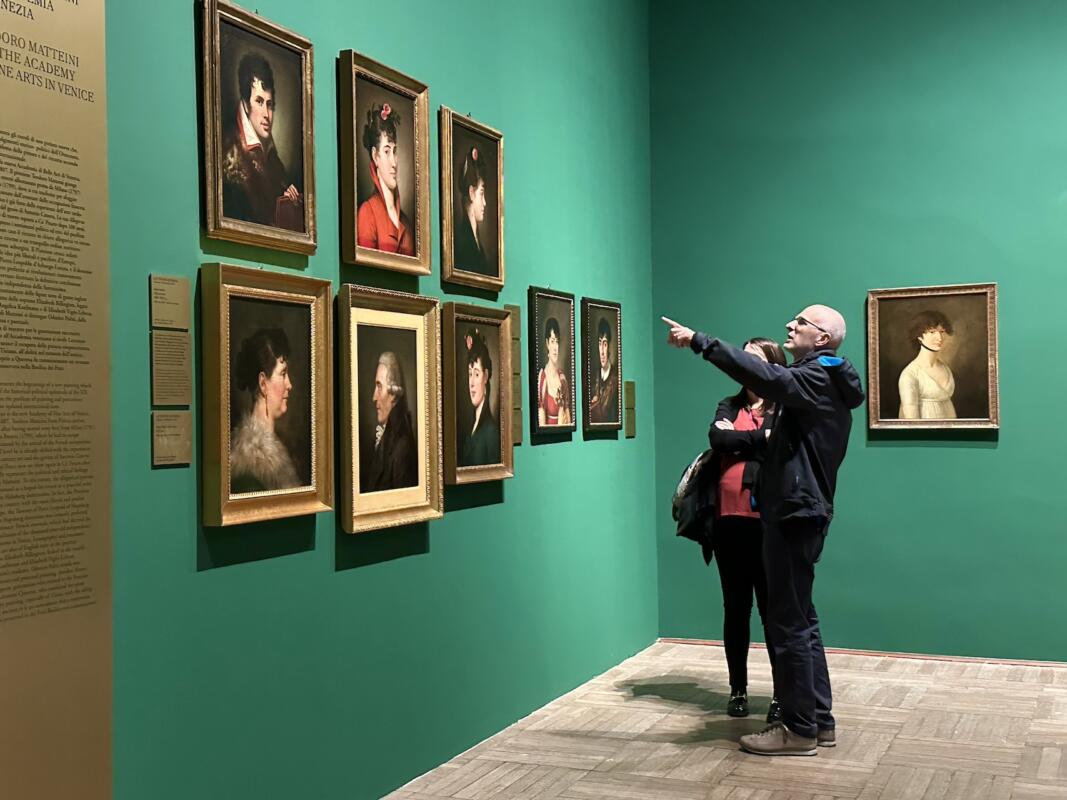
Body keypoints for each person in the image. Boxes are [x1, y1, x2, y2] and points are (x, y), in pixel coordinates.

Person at [663, 305, 865, 757]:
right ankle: (818, 721)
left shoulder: (815, 377)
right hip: (800, 510)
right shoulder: (823, 377)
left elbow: (765, 376)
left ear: (822, 338)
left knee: (787, 623)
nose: (790, 325)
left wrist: (700, 341)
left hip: (794, 512)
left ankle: (797, 729)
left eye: (801, 322)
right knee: (802, 620)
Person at [706, 337, 785, 721]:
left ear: (773, 366)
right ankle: (738, 689)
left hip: (768, 523)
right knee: (735, 609)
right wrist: (757, 438)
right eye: (743, 358)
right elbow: (717, 438)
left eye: (755, 359)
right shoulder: (729, 404)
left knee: (772, 611)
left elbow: (776, 446)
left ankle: (781, 695)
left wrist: (739, 440)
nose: (745, 365)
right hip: (728, 520)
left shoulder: (783, 406)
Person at [222, 53, 303, 231]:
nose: (266, 114)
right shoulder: (230, 153)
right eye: (259, 102)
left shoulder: (269, 152)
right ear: (245, 104)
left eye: (270, 104)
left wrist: (288, 199)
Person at [230, 328, 301, 492]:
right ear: (263, 384)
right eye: (283, 374)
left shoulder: (276, 447)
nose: (289, 385)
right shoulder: (249, 460)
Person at [357, 102, 415, 255]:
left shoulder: (406, 222)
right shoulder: (367, 213)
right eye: (387, 151)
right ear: (375, 156)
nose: (394, 163)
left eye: (394, 152)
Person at [362, 351, 418, 492]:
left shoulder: (402, 448)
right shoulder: (388, 437)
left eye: (379, 386)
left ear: (393, 394)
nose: (374, 397)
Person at [898, 310, 955, 419]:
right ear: (919, 336)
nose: (939, 338)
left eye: (942, 331)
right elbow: (911, 420)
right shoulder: (910, 374)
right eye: (932, 332)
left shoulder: (945, 368)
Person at [459, 330, 500, 466]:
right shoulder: (470, 425)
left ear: (486, 376)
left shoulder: (491, 431)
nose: (471, 383)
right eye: (469, 374)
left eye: (476, 374)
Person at [453, 144, 491, 275]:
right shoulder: (462, 242)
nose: (485, 202)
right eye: (481, 193)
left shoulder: (476, 239)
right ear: (471, 193)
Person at [537, 317, 571, 427]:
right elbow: (541, 425)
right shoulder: (543, 378)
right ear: (547, 343)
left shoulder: (562, 378)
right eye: (552, 341)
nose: (555, 347)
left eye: (557, 342)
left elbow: (569, 420)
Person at [588, 317, 619, 424]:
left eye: (605, 344)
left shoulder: (615, 378)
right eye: (600, 343)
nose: (602, 351)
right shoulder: (594, 377)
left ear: (609, 346)